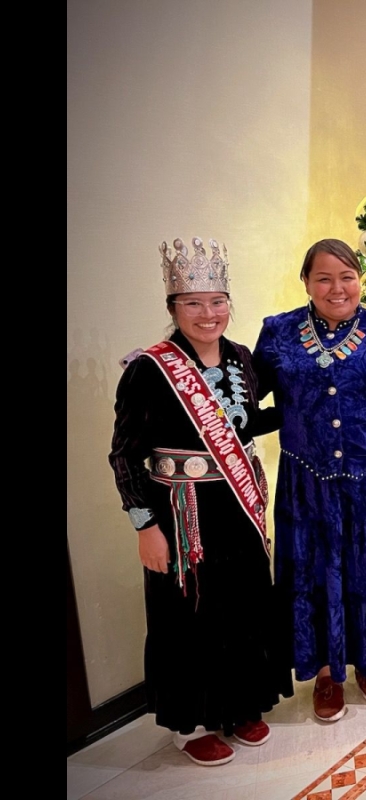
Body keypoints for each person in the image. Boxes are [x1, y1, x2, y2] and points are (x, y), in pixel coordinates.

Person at [109, 237, 292, 766]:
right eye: (193, 303)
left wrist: (296, 408)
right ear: (172, 308)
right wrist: (145, 526)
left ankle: (240, 705)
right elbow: (124, 455)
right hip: (181, 512)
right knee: (187, 614)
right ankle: (189, 725)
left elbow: (246, 423)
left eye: (217, 301)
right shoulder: (150, 368)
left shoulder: (240, 358)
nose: (208, 314)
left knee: (243, 603)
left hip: (238, 505)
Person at [253, 239, 366, 723]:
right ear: (306, 283)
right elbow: (245, 397)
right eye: (324, 279)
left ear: (362, 280)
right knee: (316, 576)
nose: (338, 288)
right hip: (306, 488)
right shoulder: (278, 334)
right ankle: (329, 674)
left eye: (347, 277)